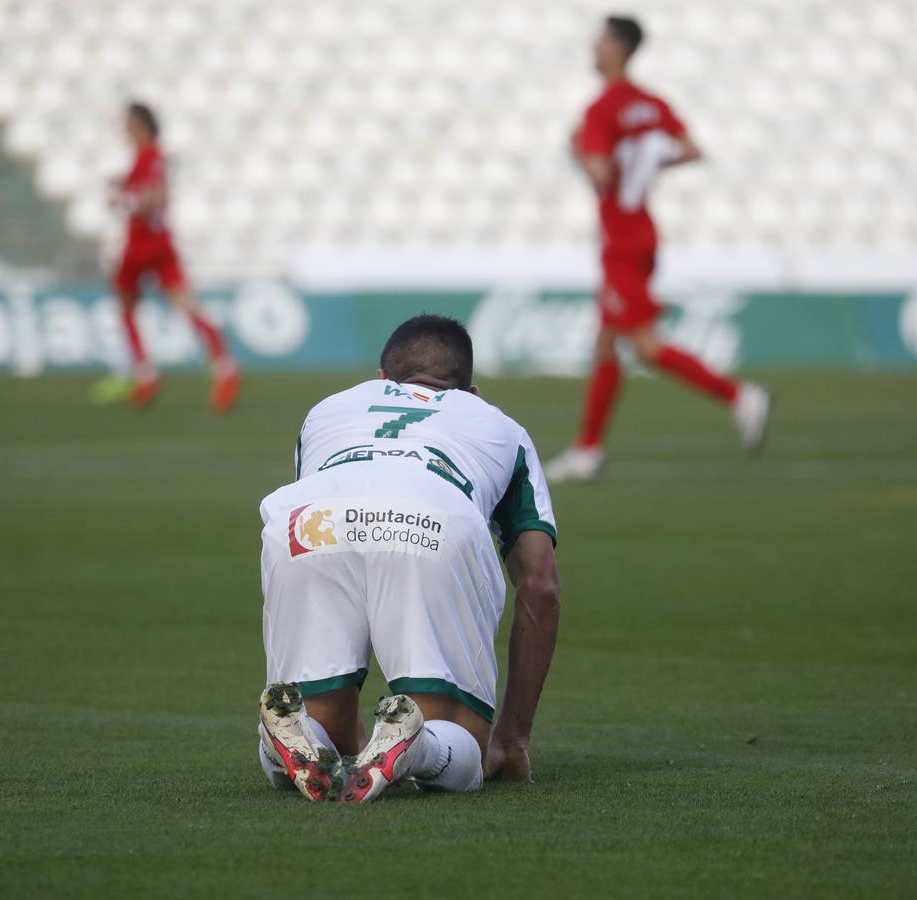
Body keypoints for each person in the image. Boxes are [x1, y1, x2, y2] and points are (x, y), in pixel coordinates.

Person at [255, 315, 561, 803]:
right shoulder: (501, 426)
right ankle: (414, 747)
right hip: (433, 515)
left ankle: (285, 739)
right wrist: (511, 737)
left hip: (307, 518)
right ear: (471, 393)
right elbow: (540, 586)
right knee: (455, 740)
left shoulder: (327, 410)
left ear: (380, 381)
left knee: (322, 730)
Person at [545, 15, 772, 483]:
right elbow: (690, 150)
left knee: (644, 346)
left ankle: (740, 396)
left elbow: (601, 175)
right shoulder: (652, 103)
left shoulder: (601, 109)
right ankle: (588, 449)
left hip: (620, 240)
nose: (593, 45)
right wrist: (646, 168)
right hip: (644, 231)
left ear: (615, 47)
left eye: (600, 38)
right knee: (607, 343)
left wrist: (576, 152)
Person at [92, 102, 240, 412]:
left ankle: (146, 374)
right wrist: (123, 186)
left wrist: (121, 199)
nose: (125, 128)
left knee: (131, 304)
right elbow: (151, 191)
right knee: (179, 304)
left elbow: (154, 199)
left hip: (144, 242)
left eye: (129, 122)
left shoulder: (149, 155)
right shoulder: (150, 156)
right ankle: (223, 367)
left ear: (140, 124)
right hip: (157, 241)